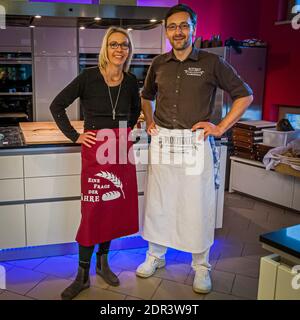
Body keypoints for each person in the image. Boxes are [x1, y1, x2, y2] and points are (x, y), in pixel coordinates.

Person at [136, 4, 253, 294]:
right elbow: (146, 97)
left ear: (194, 28)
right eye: (173, 26)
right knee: (158, 201)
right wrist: (150, 121)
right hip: (163, 141)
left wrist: (220, 127)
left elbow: (245, 95)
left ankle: (201, 266)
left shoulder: (212, 63)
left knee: (197, 204)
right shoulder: (158, 64)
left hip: (195, 142)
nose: (178, 31)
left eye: (184, 25)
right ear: (166, 31)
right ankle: (155, 256)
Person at [50, 27, 141, 300]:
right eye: (113, 44)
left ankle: (103, 263)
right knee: (93, 210)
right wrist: (75, 136)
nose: (119, 49)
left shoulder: (131, 81)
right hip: (95, 148)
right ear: (106, 48)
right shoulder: (88, 77)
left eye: (124, 45)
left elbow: (135, 110)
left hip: (120, 149)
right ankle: (81, 275)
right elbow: (57, 105)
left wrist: (126, 133)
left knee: (112, 207)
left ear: (129, 50)